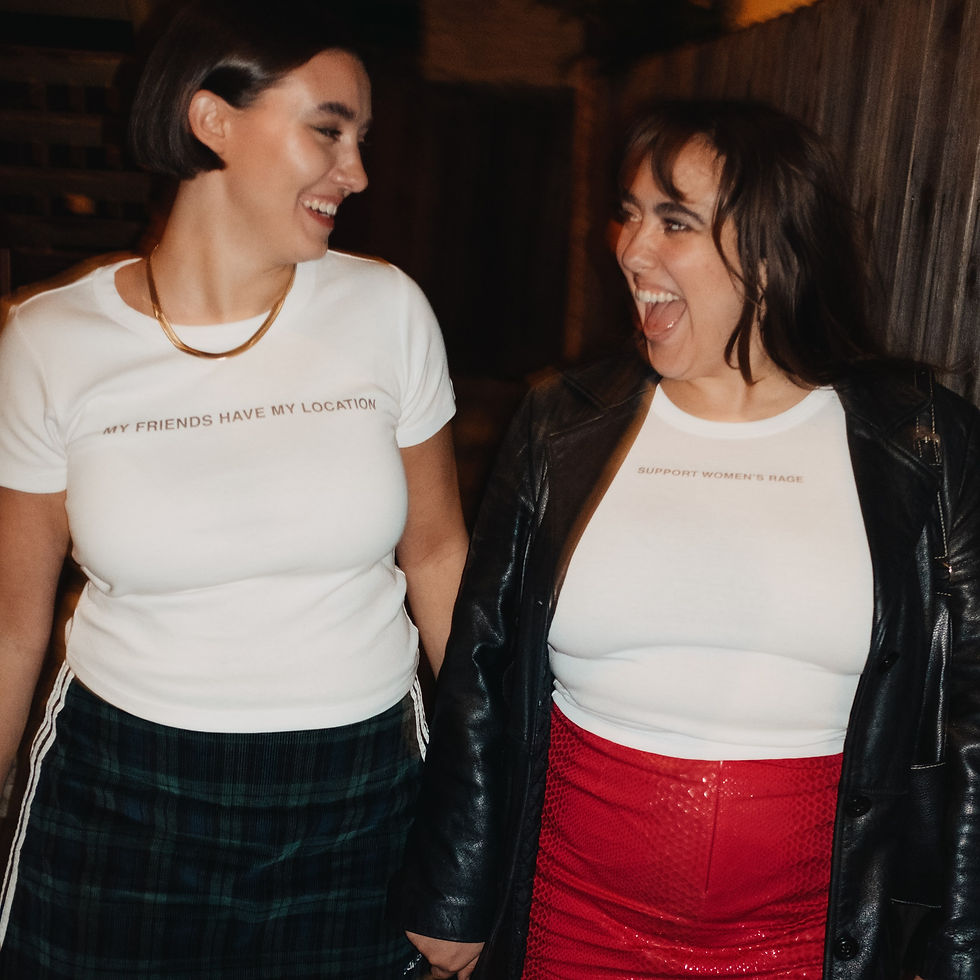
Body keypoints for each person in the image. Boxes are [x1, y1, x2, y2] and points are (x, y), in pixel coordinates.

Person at [393, 99, 980, 980]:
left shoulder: (925, 442)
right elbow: (483, 667)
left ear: (775, 247)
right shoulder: (561, 421)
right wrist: (454, 893)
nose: (630, 249)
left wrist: (959, 951)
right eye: (629, 214)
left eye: (674, 222)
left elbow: (971, 720)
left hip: (812, 943)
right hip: (570, 923)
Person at [0, 1, 467, 976]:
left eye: (361, 139)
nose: (357, 172)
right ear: (211, 119)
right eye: (328, 131)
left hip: (363, 796)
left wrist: (478, 824)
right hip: (124, 795)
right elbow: (12, 623)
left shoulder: (386, 309)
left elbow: (436, 554)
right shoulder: (48, 343)